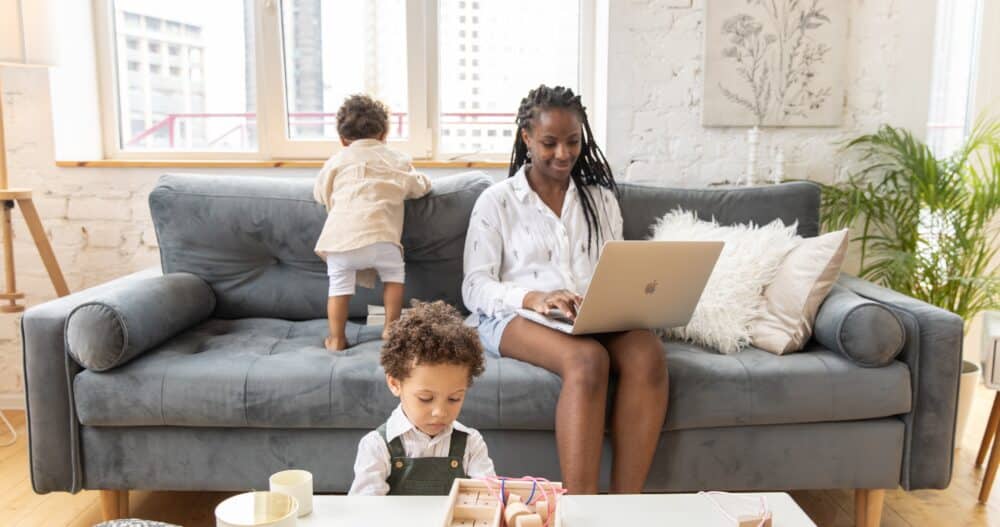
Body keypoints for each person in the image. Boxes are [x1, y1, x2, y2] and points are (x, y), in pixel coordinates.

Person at [462, 85, 669, 494]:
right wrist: (534, 298)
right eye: (549, 143)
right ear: (526, 138)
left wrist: (623, 298)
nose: (563, 154)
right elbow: (474, 286)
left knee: (647, 352)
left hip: (590, 314)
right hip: (514, 316)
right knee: (588, 361)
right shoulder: (497, 202)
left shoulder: (600, 200)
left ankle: (626, 507)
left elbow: (615, 268)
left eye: (573, 142)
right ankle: (582, 511)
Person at [313, 94, 432, 351]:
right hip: (382, 238)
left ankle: (336, 338)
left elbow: (321, 192)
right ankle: (390, 327)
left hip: (340, 241)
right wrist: (425, 181)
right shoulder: (396, 159)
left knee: (338, 286)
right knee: (393, 275)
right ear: (384, 134)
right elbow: (417, 186)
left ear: (343, 139)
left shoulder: (336, 161)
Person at [348, 300, 496, 495]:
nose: (440, 412)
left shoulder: (471, 444)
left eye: (454, 399)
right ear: (395, 384)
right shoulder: (377, 446)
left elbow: (488, 499)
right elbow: (365, 513)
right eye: (425, 398)